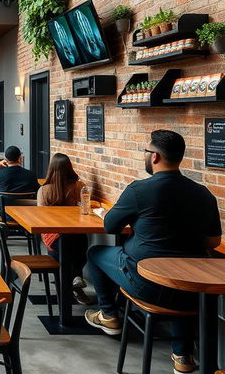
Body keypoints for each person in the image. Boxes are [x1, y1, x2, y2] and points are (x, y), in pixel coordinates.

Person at [85, 130, 221, 374]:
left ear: (155, 157)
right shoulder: (204, 194)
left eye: (146, 152)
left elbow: (110, 226)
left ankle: (109, 315)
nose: (145, 157)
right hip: (192, 288)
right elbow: (212, 241)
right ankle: (183, 355)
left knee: (95, 253)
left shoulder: (139, 190)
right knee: (180, 284)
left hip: (145, 281)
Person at [37, 153, 89, 305]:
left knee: (68, 240)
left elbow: (40, 218)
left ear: (51, 169)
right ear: (69, 168)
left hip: (51, 237)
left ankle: (70, 284)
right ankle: (75, 278)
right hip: (74, 236)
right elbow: (84, 208)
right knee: (77, 238)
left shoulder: (44, 190)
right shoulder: (79, 186)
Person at [0, 145, 40, 212]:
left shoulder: (0, 175)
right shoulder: (31, 175)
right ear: (20, 158)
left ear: (5, 160)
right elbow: (38, 190)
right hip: (26, 216)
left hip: (4, 217)